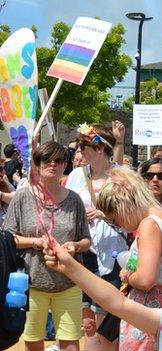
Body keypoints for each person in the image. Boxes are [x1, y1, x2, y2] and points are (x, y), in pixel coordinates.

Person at [4, 141, 91, 351]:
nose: (52, 164)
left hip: (69, 282)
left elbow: (86, 240)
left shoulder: (74, 200)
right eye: (46, 159)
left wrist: (75, 246)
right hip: (31, 284)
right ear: (37, 163)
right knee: (34, 343)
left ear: (65, 165)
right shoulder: (23, 197)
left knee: (71, 345)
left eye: (59, 160)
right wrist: (35, 242)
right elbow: (7, 239)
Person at [96, 167, 162, 350]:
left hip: (149, 310)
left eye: (114, 219)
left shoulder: (148, 224)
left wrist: (127, 275)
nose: (117, 225)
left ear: (122, 204)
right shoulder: (159, 215)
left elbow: (145, 279)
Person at [65, 122, 128, 350]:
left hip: (113, 257)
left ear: (100, 148)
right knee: (88, 323)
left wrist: (105, 214)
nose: (80, 150)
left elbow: (136, 218)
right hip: (84, 254)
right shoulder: (75, 176)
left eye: (85, 145)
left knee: (106, 324)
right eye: (80, 145)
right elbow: (66, 210)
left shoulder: (122, 177)